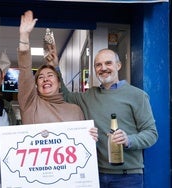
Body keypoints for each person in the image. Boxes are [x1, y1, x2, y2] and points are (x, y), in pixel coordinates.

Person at [46, 46, 158, 188]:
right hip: (94, 174)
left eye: (108, 63)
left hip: (127, 177)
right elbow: (65, 96)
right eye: (98, 65)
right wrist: (55, 67)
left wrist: (129, 139)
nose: (103, 68)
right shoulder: (89, 96)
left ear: (118, 65)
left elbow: (151, 134)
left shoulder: (137, 96)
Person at [18, 10, 98, 140]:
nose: (45, 79)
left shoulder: (75, 110)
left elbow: (83, 145)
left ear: (59, 82)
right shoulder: (30, 104)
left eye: (50, 75)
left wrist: (90, 137)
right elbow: (25, 72)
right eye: (40, 77)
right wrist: (24, 37)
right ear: (36, 84)